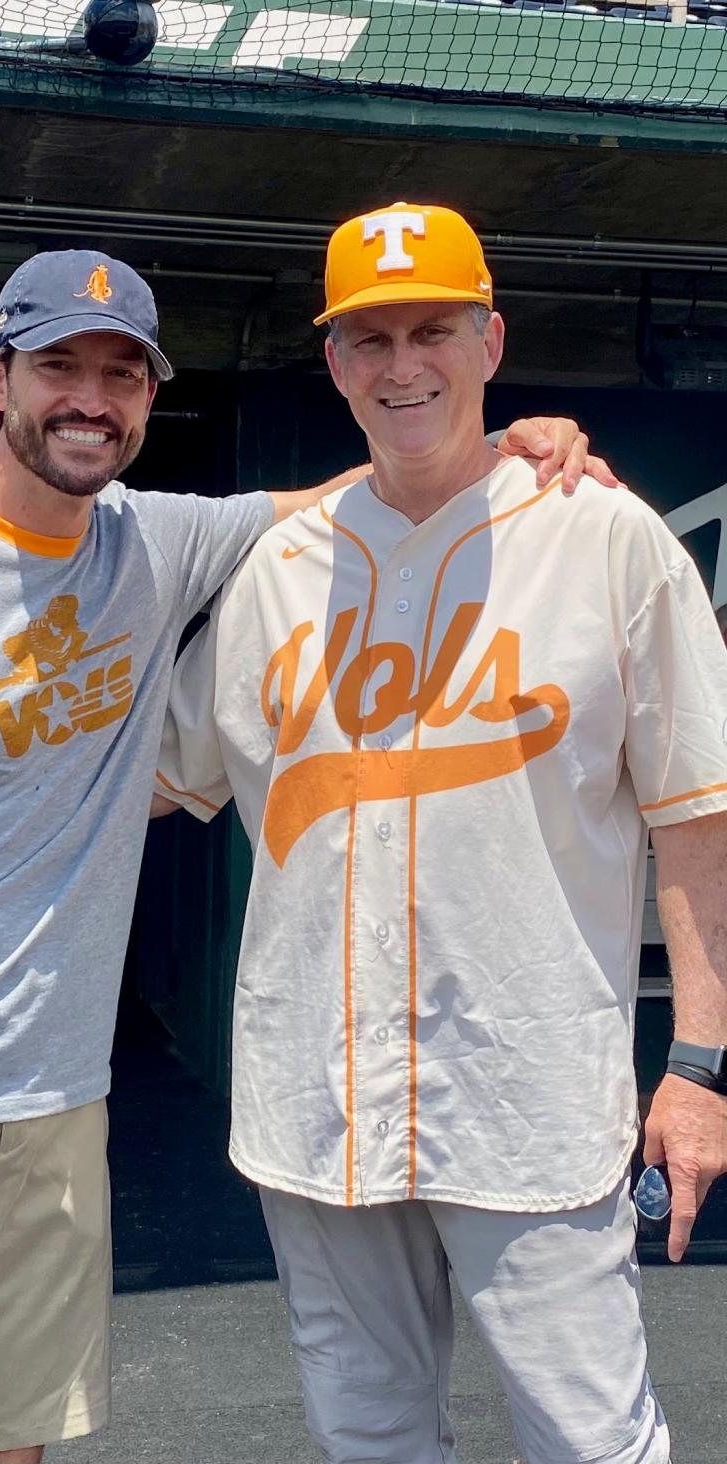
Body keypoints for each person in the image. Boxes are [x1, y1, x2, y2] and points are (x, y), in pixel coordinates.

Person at [0, 243, 613, 1464]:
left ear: (152, 397)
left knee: (5, 1445)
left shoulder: (156, 544)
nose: (91, 400)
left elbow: (358, 491)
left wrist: (511, 441)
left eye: (123, 373)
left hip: (56, 1109)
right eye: (59, 364)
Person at [153, 204, 727, 1464]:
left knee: (593, 1440)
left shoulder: (607, 536)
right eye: (371, 337)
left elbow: (699, 816)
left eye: (433, 330)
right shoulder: (277, 566)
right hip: (318, 1096)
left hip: (529, 1096)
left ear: (489, 340)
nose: (403, 364)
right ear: (337, 362)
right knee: (368, 1435)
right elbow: (159, 778)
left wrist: (698, 1068)